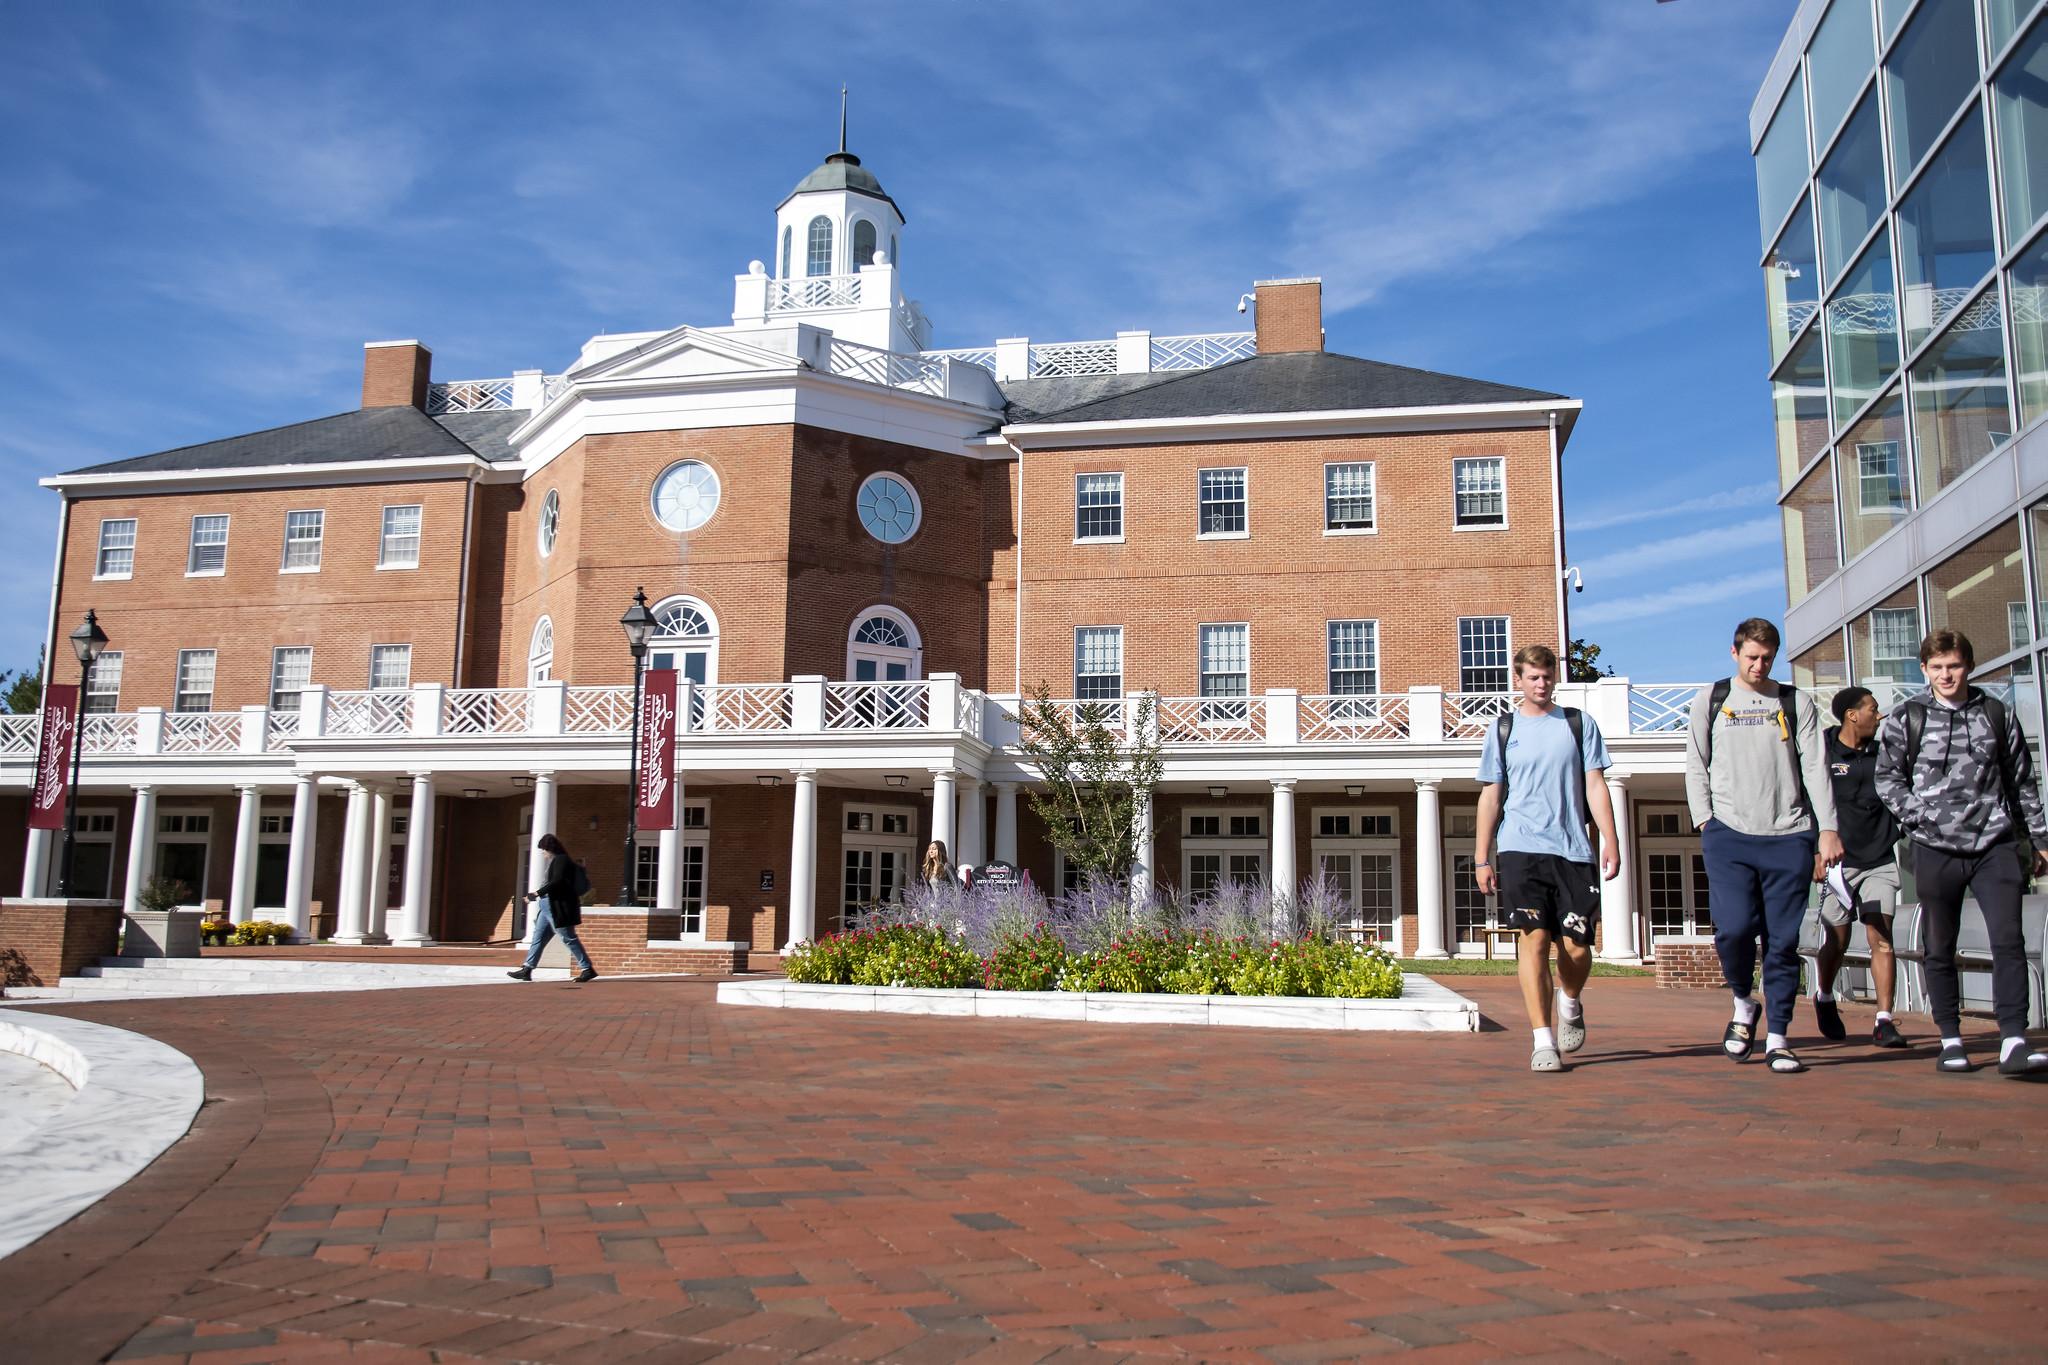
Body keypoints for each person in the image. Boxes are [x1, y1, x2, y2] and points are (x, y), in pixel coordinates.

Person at [1873, 630, 2048, 1077]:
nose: (1946, 674)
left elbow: (2021, 781)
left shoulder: (1995, 713)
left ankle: (2013, 1039)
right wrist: (1923, 818)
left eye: (1953, 665)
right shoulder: (1905, 717)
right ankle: (1950, 1039)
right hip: (1935, 849)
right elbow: (1888, 780)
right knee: (1940, 945)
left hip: (1995, 844)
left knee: (2009, 941)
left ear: (1968, 666)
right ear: (1925, 670)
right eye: (1937, 667)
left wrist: (2040, 839)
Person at [1685, 618, 1842, 1074]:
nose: (1759, 665)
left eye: (1767, 658)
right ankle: (1742, 1002)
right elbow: (1696, 762)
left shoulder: (1795, 702)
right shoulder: (1711, 700)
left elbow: (1816, 767)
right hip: (1729, 833)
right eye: (1751, 657)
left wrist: (1827, 828)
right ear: (1735, 653)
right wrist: (1705, 820)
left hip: (1788, 835)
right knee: (1733, 930)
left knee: (1783, 941)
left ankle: (1778, 1037)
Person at [1474, 643, 1622, 1073]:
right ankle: (1543, 1040)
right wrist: (1483, 857)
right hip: (1521, 848)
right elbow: (1491, 794)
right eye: (1533, 677)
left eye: (1548, 677)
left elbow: (1595, 785)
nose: (1541, 684)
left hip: (1573, 849)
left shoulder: (1577, 724)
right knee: (1534, 940)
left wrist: (1609, 839)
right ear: (1518, 680)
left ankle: (1570, 999)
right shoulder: (1503, 728)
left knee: (1576, 948)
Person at [1812, 686, 1907, 1048]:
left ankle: (1884, 1020)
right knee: (1837, 941)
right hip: (1838, 863)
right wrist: (1815, 853)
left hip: (1879, 859)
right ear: (1853, 714)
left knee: (1880, 938)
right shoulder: (1821, 750)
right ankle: (1824, 994)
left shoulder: (1886, 754)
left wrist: (1898, 830)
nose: (1878, 715)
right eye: (1873, 709)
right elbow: (1807, 803)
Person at [507, 833, 597, 983]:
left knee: (568, 937)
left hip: (555, 905)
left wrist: (535, 894)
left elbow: (557, 881)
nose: (542, 853)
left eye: (543, 850)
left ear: (549, 848)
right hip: (547, 905)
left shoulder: (561, 860)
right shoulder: (558, 860)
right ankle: (527, 969)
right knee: (538, 937)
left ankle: (587, 968)